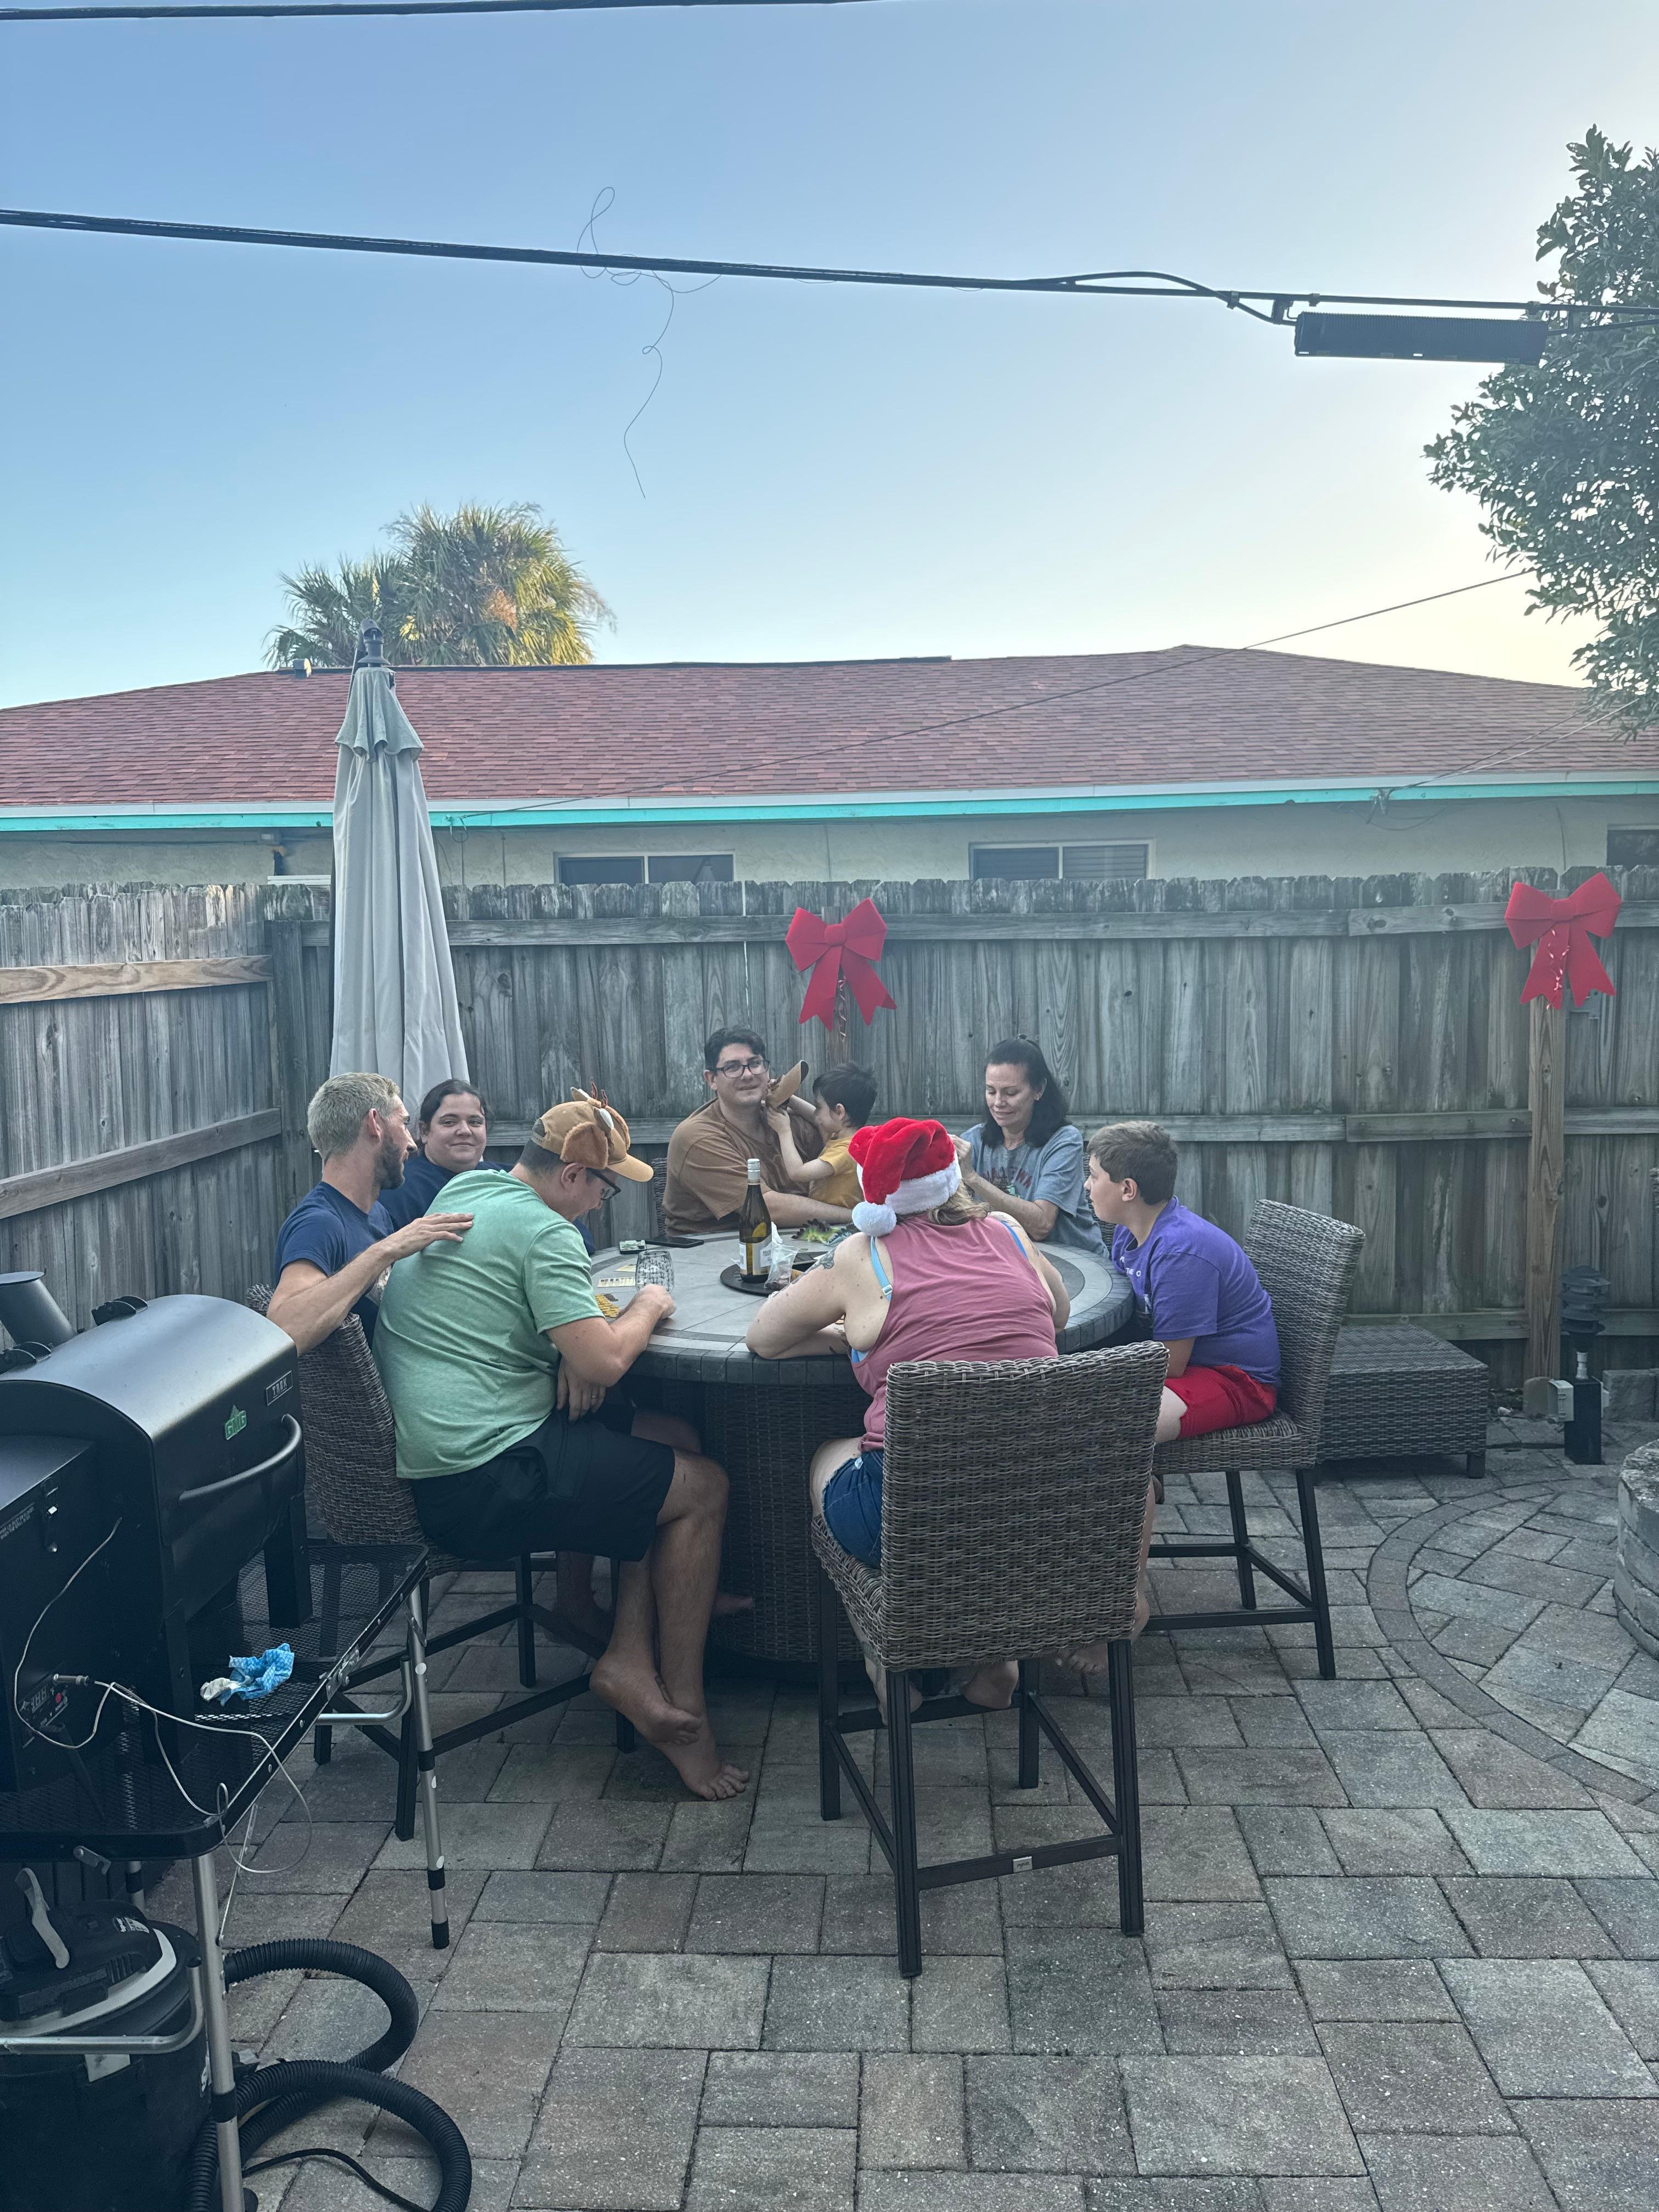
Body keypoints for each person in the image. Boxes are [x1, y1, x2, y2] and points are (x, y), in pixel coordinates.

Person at [373, 1090, 748, 1799]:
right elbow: (606, 1361)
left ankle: (629, 1657)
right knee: (704, 1488)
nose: (604, 1201)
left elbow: (524, 1315)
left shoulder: (473, 1189)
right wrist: (647, 1306)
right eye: (606, 1186)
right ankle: (687, 1714)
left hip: (454, 1441)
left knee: (672, 1438)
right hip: (482, 1475)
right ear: (573, 1175)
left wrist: (567, 1354)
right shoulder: (546, 1233)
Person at [746, 1116, 1069, 1711]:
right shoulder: (1008, 1231)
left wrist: (847, 1337)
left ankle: (883, 1659)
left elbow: (764, 1338)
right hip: (1040, 1510)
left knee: (829, 1458)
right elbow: (1059, 1314)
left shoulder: (862, 1254)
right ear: (951, 1179)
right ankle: (995, 1656)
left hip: (914, 1521)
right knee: (987, 1472)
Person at [1060, 1118, 1280, 1670]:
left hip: (1236, 1380)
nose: (1086, 1185)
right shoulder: (1130, 1233)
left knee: (1115, 1438)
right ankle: (1124, 1518)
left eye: (1093, 1175)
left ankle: (1126, 1604)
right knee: (1086, 1424)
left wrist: (1094, 1386)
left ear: (1127, 1188)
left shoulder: (1181, 1251)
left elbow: (1170, 1363)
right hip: (1191, 1370)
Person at [267, 1072, 473, 1355]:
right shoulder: (319, 1223)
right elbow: (286, 1329)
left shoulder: (376, 1213)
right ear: (375, 1124)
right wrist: (386, 1250)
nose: (412, 1144)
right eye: (403, 1124)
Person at [662, 1028, 848, 1237]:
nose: (748, 1075)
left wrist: (791, 1100)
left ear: (767, 1072)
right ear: (712, 1079)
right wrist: (852, 1215)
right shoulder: (697, 1138)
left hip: (798, 1241)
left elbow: (847, 1145)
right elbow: (767, 1207)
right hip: (712, 1246)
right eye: (733, 1067)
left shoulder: (788, 1122)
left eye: (755, 1063)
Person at [955, 1037, 1105, 1255]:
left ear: (1039, 1089)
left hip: (1078, 1260)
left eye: (1011, 1093)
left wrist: (973, 1178)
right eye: (991, 1091)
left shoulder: (1064, 1141)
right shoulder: (973, 1140)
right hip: (1010, 1260)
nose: (998, 1102)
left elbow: (1041, 1225)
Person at [768, 1061, 877, 1213]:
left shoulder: (846, 1151)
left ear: (839, 1112)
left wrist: (784, 1131)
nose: (816, 1112)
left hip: (838, 1223)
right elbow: (815, 1118)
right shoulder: (846, 1136)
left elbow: (797, 1173)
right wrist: (789, 1098)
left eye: (819, 1107)